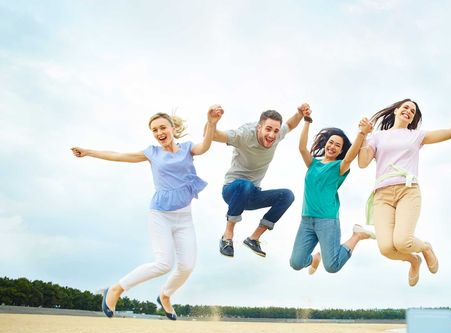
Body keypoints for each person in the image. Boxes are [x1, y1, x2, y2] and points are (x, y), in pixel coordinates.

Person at [71, 105, 224, 319]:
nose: (159, 133)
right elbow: (118, 156)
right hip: (160, 214)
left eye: (163, 127)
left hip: (184, 217)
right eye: (154, 130)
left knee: (187, 266)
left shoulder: (188, 148)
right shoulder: (152, 153)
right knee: (163, 264)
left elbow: (205, 146)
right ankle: (115, 289)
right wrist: (89, 152)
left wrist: (212, 124)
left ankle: (165, 295)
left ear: (172, 128)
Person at [358, 94, 451, 286]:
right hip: (382, 195)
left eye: (412, 112)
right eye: (405, 107)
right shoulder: (377, 136)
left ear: (413, 119)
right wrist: (363, 135)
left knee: (403, 242)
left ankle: (426, 248)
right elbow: (362, 163)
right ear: (396, 110)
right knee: (386, 248)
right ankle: (413, 260)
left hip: (408, 190)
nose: (408, 111)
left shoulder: (417, 136)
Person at [211, 103, 311, 258]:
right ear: (259, 127)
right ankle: (227, 236)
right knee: (245, 185)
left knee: (287, 195)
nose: (272, 135)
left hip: (253, 194)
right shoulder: (243, 135)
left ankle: (254, 238)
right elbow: (213, 135)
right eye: (268, 129)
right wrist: (212, 122)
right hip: (232, 190)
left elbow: (290, 125)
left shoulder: (277, 135)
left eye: (276, 131)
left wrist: (299, 113)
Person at [289, 111, 375, 275]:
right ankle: (314, 258)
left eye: (337, 145)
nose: (332, 146)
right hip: (306, 220)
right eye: (331, 142)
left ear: (341, 150)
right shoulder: (313, 164)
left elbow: (349, 158)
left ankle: (356, 235)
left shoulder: (340, 167)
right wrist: (307, 120)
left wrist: (362, 133)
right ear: (325, 143)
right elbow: (301, 148)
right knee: (296, 263)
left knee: (332, 266)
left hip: (327, 221)